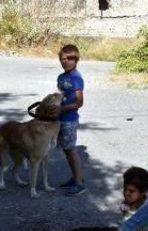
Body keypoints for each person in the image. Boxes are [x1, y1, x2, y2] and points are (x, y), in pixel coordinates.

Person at [56, 44, 87, 197]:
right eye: (63, 58)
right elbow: (60, 97)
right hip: (59, 119)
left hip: (69, 119)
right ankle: (75, 178)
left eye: (70, 59)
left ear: (76, 60)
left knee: (71, 150)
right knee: (66, 150)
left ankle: (80, 183)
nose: (66, 61)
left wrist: (63, 109)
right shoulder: (61, 78)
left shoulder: (76, 78)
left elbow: (79, 103)